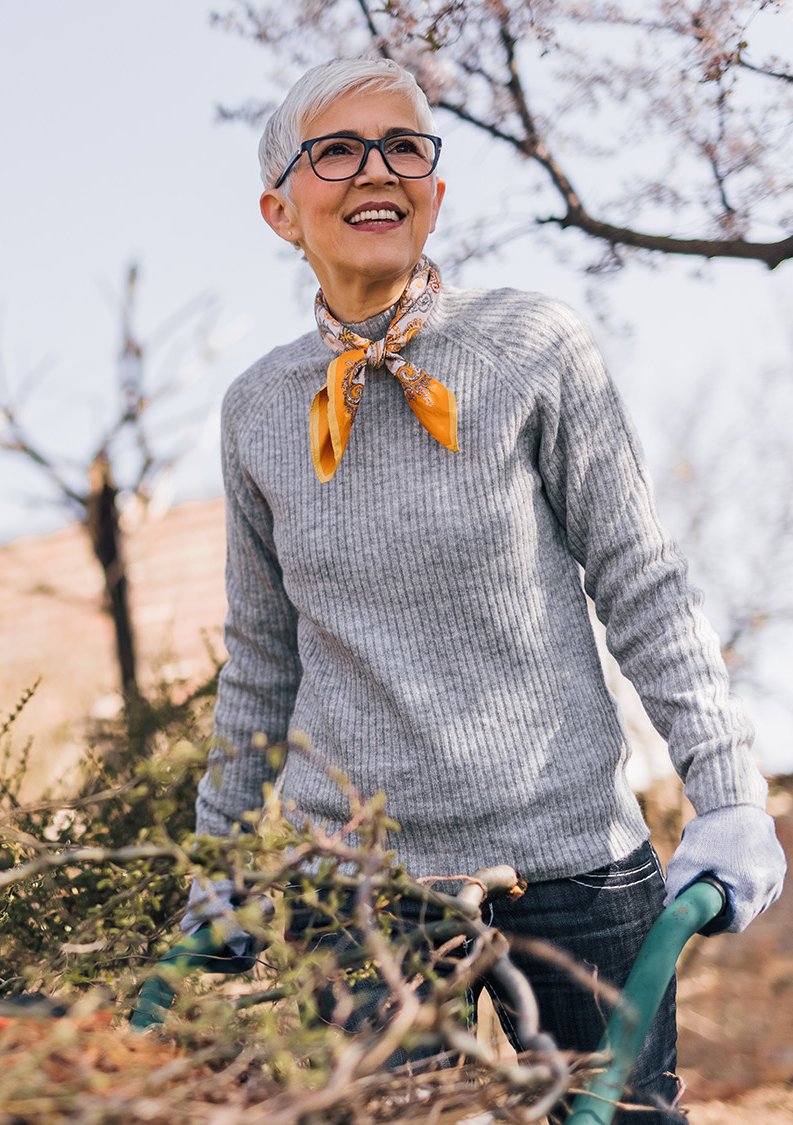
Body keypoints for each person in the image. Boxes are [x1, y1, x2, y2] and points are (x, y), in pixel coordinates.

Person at [187, 56, 786, 1122]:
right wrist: (221, 860)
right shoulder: (256, 412)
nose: (378, 169)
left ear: (436, 190)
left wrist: (729, 789)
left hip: (574, 861)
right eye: (338, 150)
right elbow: (263, 663)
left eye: (404, 147)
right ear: (281, 210)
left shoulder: (533, 347)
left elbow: (642, 585)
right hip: (359, 887)